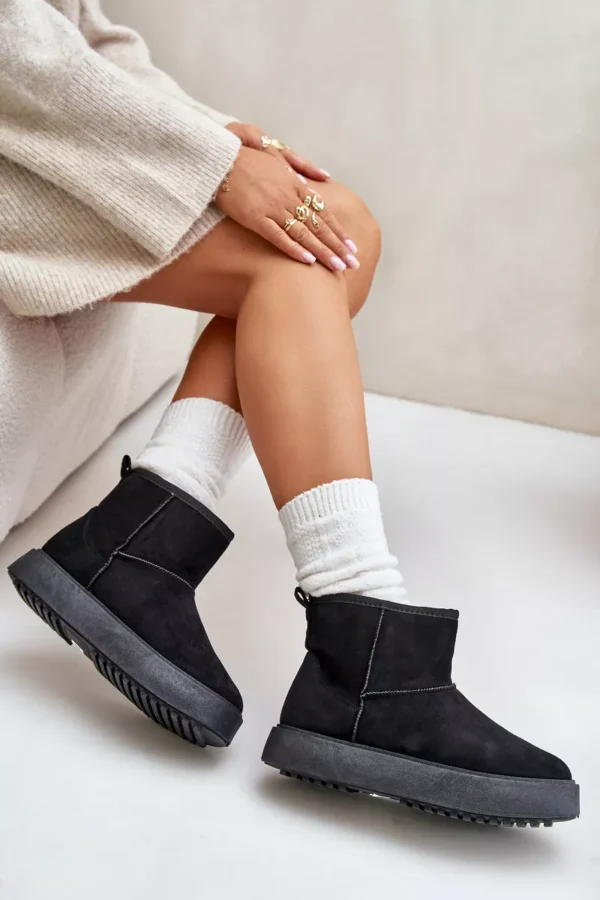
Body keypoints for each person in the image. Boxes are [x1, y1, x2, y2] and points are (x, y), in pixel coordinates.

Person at [3, 0, 578, 828]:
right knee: (299, 263)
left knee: (343, 227)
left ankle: (141, 536)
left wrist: (218, 135)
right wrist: (212, 166)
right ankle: (360, 638)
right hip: (20, 141)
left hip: (43, 130)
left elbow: (81, 33)